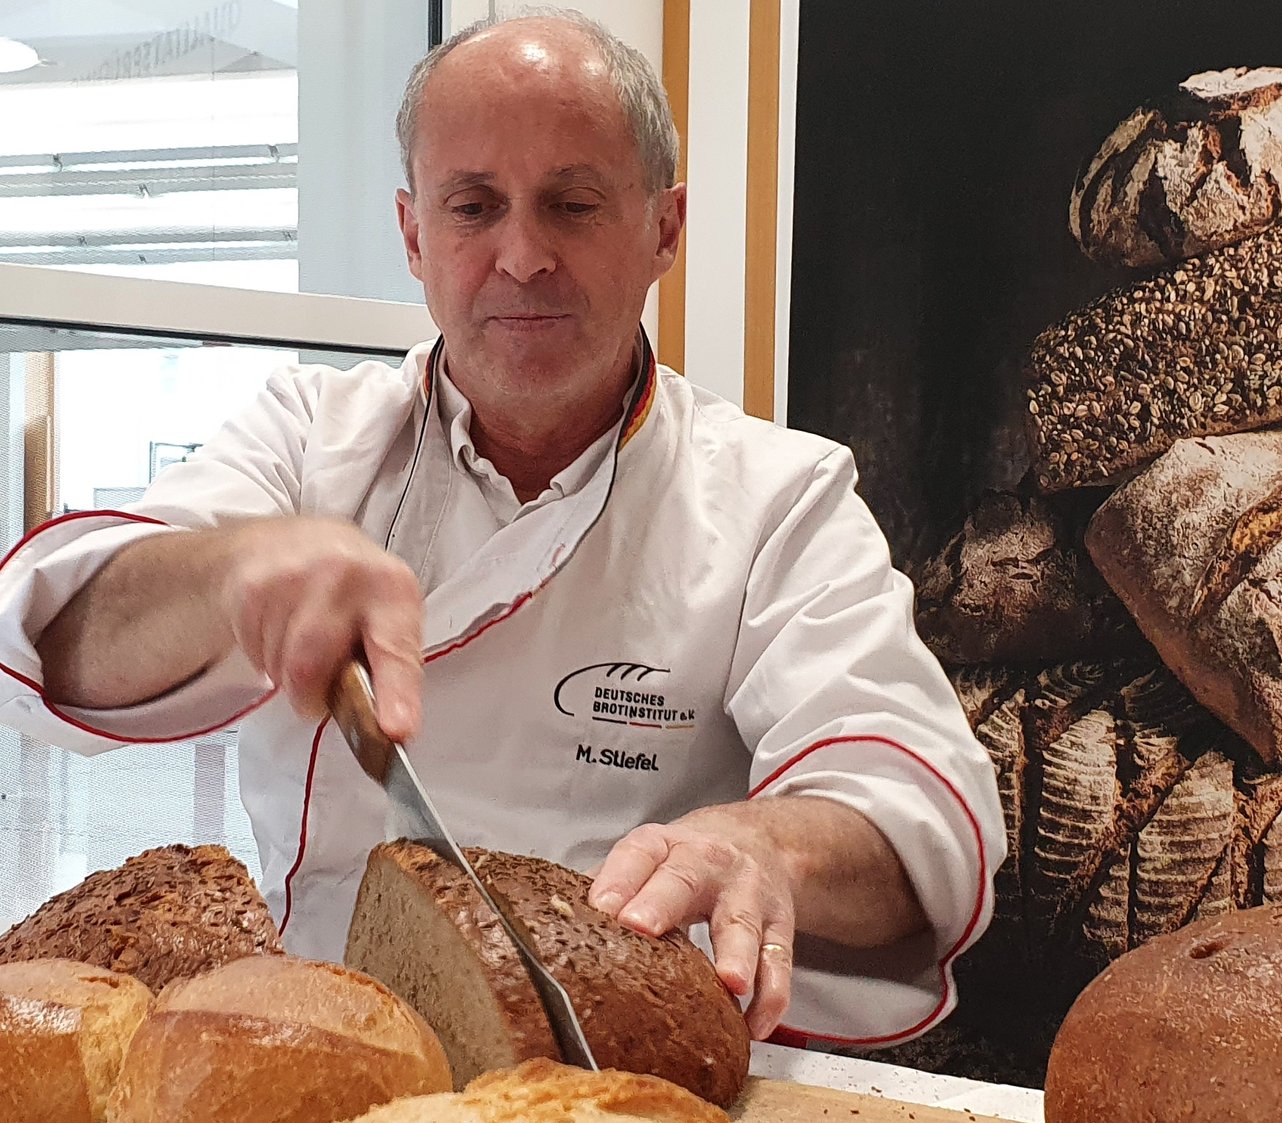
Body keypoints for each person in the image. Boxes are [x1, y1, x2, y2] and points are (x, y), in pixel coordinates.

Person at [0, 11, 1001, 1048]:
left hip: (622, 1068)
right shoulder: (307, 442)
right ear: (413, 235)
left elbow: (911, 795)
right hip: (329, 1046)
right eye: (473, 206)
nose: (522, 256)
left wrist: (764, 843)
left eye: (572, 204)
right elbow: (49, 633)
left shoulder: (778, 495)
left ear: (664, 227)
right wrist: (229, 571)